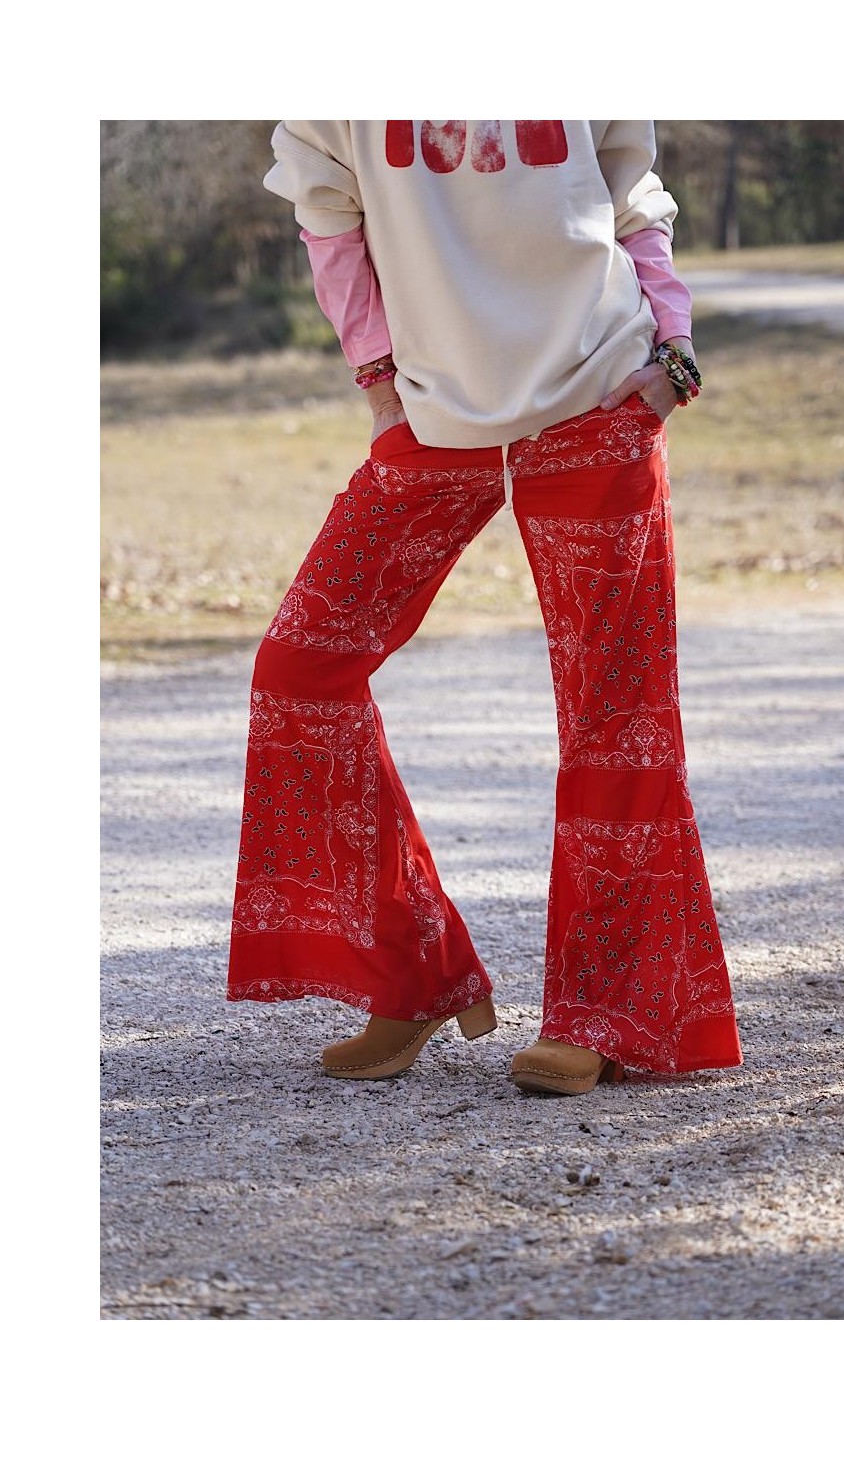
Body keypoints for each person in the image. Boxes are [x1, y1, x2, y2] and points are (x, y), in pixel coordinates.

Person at [227, 120, 743, 1095]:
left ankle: (601, 1015)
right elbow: (328, 217)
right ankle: (411, 969)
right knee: (301, 670)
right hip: (434, 417)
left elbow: (632, 192)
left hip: (599, 397)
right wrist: (380, 386)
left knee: (615, 714)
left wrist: (672, 349)